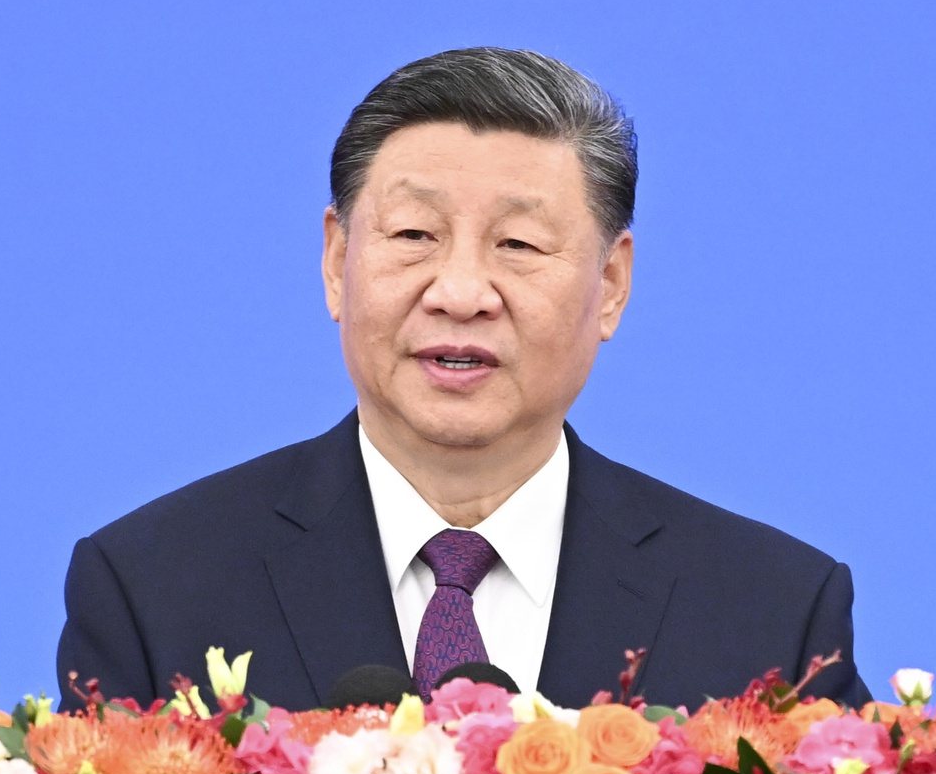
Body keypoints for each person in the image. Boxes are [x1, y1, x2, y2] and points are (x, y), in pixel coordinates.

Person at [57, 47, 871, 714]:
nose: (461, 293)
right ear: (338, 261)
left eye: (518, 245)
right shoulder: (153, 589)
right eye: (415, 234)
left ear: (612, 284)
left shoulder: (772, 614)